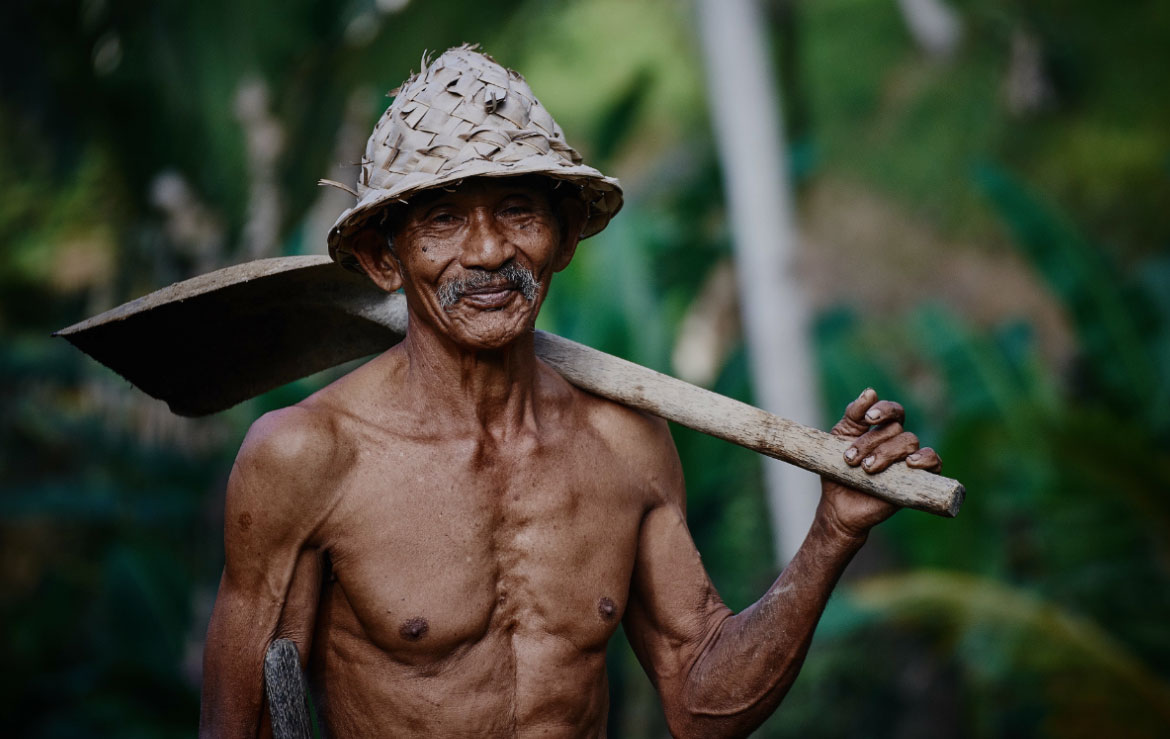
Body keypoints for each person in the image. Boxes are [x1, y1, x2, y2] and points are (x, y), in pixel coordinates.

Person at [199, 45, 942, 738]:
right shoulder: (310, 456)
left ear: (563, 235)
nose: (488, 251)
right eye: (444, 219)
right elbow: (241, 721)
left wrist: (832, 533)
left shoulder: (625, 444)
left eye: (517, 211)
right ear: (382, 258)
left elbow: (701, 702)